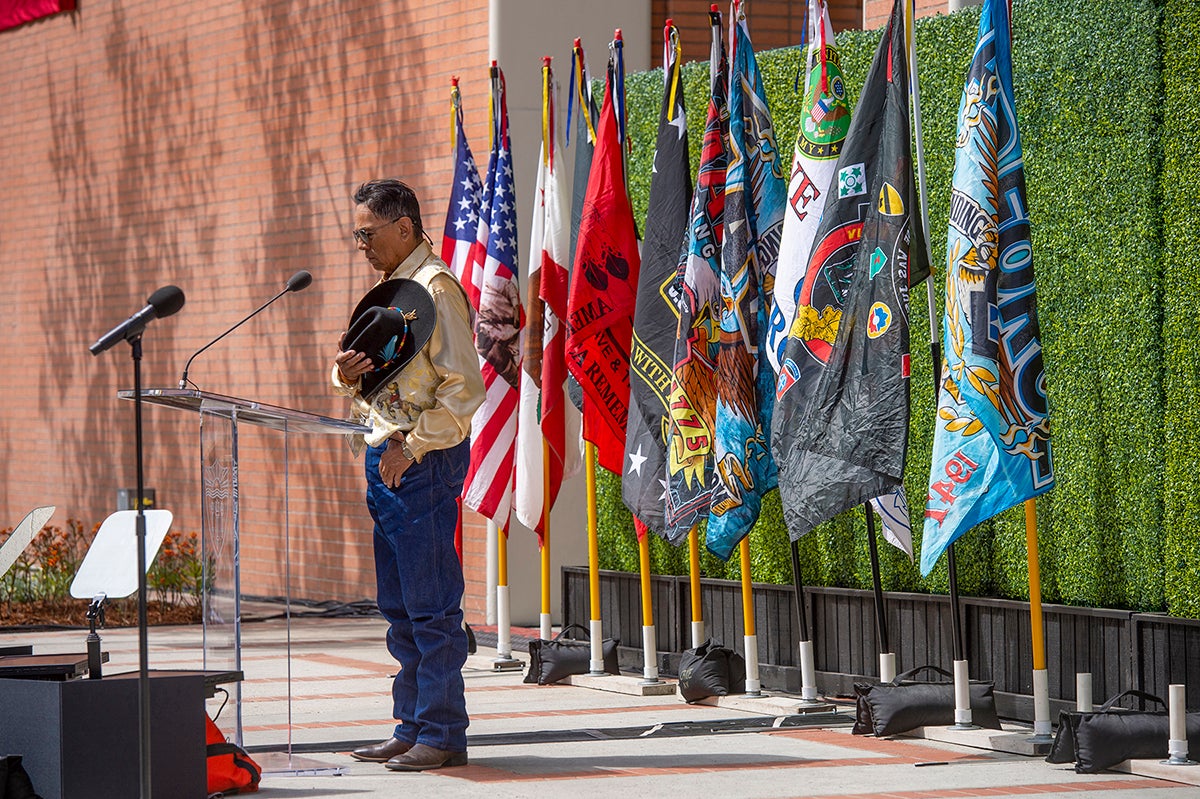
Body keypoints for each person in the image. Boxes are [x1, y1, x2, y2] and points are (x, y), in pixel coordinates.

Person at [331, 179, 485, 772]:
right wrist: (345, 373)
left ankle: (443, 733)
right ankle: (412, 725)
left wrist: (413, 448)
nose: (360, 244)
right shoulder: (390, 289)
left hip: (419, 462)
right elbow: (371, 376)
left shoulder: (435, 289)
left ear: (403, 226)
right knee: (399, 605)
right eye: (357, 234)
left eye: (366, 233)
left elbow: (464, 390)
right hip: (386, 459)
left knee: (431, 605)